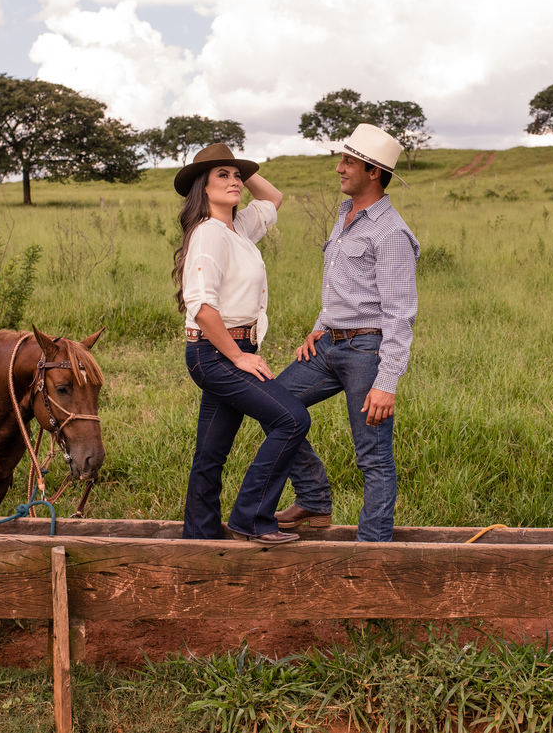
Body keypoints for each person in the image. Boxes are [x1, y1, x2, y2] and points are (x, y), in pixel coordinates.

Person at [273, 124, 419, 542]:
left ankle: (372, 550)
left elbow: (400, 314)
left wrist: (386, 382)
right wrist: (317, 329)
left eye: (348, 162)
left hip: (366, 352)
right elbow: (342, 288)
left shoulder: (391, 232)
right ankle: (315, 500)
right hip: (328, 345)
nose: (339, 168)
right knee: (273, 406)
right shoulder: (345, 217)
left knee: (372, 456)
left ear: (373, 171)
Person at [174, 143, 309, 544]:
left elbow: (272, 198)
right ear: (203, 186)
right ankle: (250, 518)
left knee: (211, 455)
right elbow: (201, 306)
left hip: (231, 352)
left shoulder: (237, 228)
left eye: (237, 176)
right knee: (293, 419)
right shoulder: (208, 234)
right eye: (222, 176)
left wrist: (238, 169)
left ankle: (199, 539)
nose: (234, 182)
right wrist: (237, 357)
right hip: (216, 353)